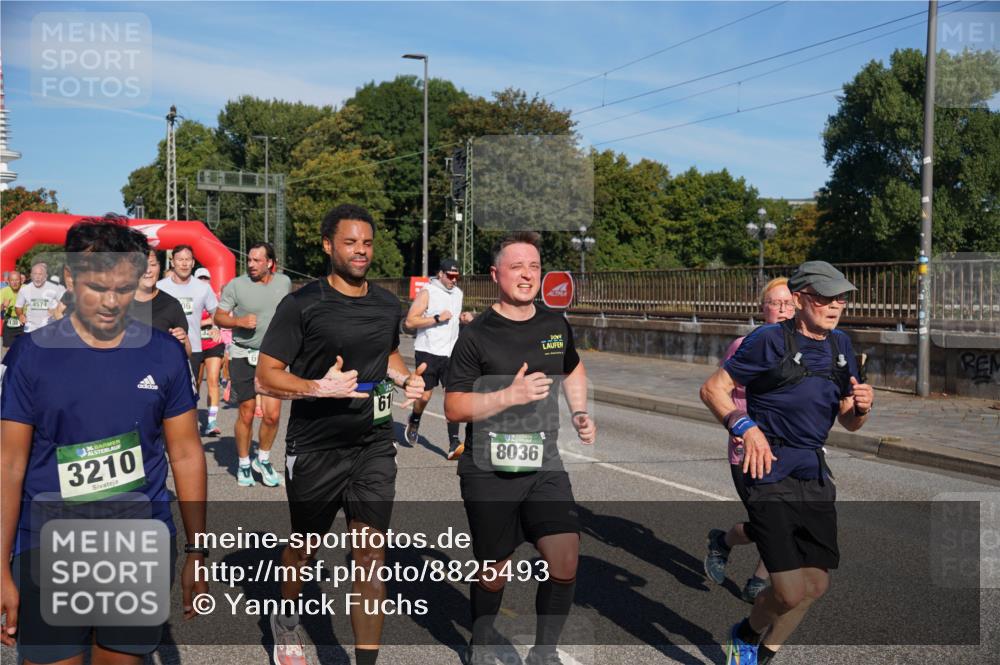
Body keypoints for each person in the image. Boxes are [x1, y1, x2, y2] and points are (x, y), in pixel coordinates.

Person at [0, 215, 208, 665]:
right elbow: (9, 465)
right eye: (98, 288)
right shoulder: (31, 356)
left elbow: (187, 454)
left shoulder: (164, 354)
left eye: (123, 288)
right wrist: (0, 566)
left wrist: (197, 549)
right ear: (71, 278)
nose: (111, 302)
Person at [256, 204, 424, 665]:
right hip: (316, 446)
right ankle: (286, 622)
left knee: (370, 555)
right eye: (350, 242)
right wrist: (316, 386)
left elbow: (387, 355)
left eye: (367, 243)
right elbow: (267, 376)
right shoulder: (302, 305)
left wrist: (405, 379)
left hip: (372, 445)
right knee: (304, 546)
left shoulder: (388, 304)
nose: (360, 251)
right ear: (328, 245)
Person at [699, 261, 875, 665]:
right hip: (766, 467)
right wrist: (746, 427)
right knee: (789, 590)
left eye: (841, 298)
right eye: (825, 297)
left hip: (812, 469)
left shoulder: (841, 346)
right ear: (799, 300)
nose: (835, 306)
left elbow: (849, 422)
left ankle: (759, 650)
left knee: (815, 583)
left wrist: (861, 409)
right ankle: (745, 634)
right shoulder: (768, 340)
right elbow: (713, 389)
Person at [444, 231, 597, 665]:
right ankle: (481, 639)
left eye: (533, 266)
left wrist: (580, 412)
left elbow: (574, 366)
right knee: (494, 572)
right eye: (516, 266)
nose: (527, 275)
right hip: (487, 468)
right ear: (496, 275)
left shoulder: (554, 323)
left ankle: (543, 652)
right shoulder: (476, 336)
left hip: (544, 463)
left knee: (565, 557)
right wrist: (506, 396)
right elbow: (454, 406)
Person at [704, 278, 794, 604]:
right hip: (748, 452)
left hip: (790, 451)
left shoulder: (806, 350)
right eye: (775, 303)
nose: (783, 310)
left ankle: (758, 579)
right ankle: (723, 541)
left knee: (788, 521)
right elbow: (717, 392)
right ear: (762, 310)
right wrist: (740, 427)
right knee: (771, 523)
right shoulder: (745, 345)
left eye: (789, 304)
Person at [213, 243, 291, 486]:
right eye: (249, 259)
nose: (251, 264)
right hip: (243, 353)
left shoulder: (284, 283)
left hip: (273, 356)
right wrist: (238, 321)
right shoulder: (237, 285)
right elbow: (219, 316)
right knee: (246, 413)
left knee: (272, 415)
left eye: (257, 260)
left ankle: (264, 459)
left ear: (270, 263)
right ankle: (244, 463)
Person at [403, 257, 474, 458]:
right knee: (425, 396)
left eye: (456, 277)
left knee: (453, 396)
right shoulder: (428, 292)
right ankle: (415, 419)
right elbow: (409, 321)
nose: (453, 280)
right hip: (428, 351)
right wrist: (436, 318)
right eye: (450, 276)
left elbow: (453, 321)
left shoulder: (458, 294)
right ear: (440, 274)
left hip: (451, 353)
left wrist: (463, 319)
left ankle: (454, 443)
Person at [156, 245, 218, 388]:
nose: (184, 263)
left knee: (190, 392)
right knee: (163, 390)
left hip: (193, 349)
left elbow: (216, 311)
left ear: (193, 262)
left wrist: (215, 327)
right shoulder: (160, 286)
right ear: (173, 263)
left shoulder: (203, 288)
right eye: (180, 260)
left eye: (187, 259)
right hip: (164, 348)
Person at [129, 249, 191, 355]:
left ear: (159, 267)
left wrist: (182, 340)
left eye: (153, 265)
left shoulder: (171, 305)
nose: (148, 270)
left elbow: (188, 353)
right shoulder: (117, 304)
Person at [195, 268, 226, 436]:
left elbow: (223, 316)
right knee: (196, 382)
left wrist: (215, 324)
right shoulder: (191, 298)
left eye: (206, 278)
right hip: (195, 344)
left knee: (213, 380)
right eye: (200, 278)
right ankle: (192, 418)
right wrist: (207, 321)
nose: (203, 281)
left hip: (213, 344)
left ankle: (211, 421)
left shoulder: (217, 299)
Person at [14, 262, 64, 333]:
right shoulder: (24, 290)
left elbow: (64, 305)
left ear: (46, 276)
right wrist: (20, 315)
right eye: (35, 274)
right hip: (30, 328)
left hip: (50, 327)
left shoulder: (55, 288)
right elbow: (18, 307)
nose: (37, 277)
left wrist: (55, 311)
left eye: (40, 274)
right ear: (31, 275)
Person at [1, 271, 24, 349]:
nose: (14, 283)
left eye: (17, 280)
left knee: (24, 349)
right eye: (12, 280)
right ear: (8, 281)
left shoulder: (27, 289)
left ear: (21, 280)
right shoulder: (4, 291)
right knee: (8, 350)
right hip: (9, 322)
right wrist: (3, 306)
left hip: (24, 322)